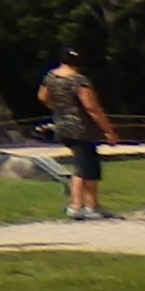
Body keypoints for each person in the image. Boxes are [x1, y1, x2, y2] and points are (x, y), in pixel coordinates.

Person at [39, 50, 120, 221]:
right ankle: (78, 206)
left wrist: (60, 109)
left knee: (88, 164)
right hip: (82, 127)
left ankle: (92, 205)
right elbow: (91, 107)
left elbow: (43, 97)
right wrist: (108, 130)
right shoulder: (78, 80)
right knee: (84, 167)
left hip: (62, 124)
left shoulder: (50, 77)